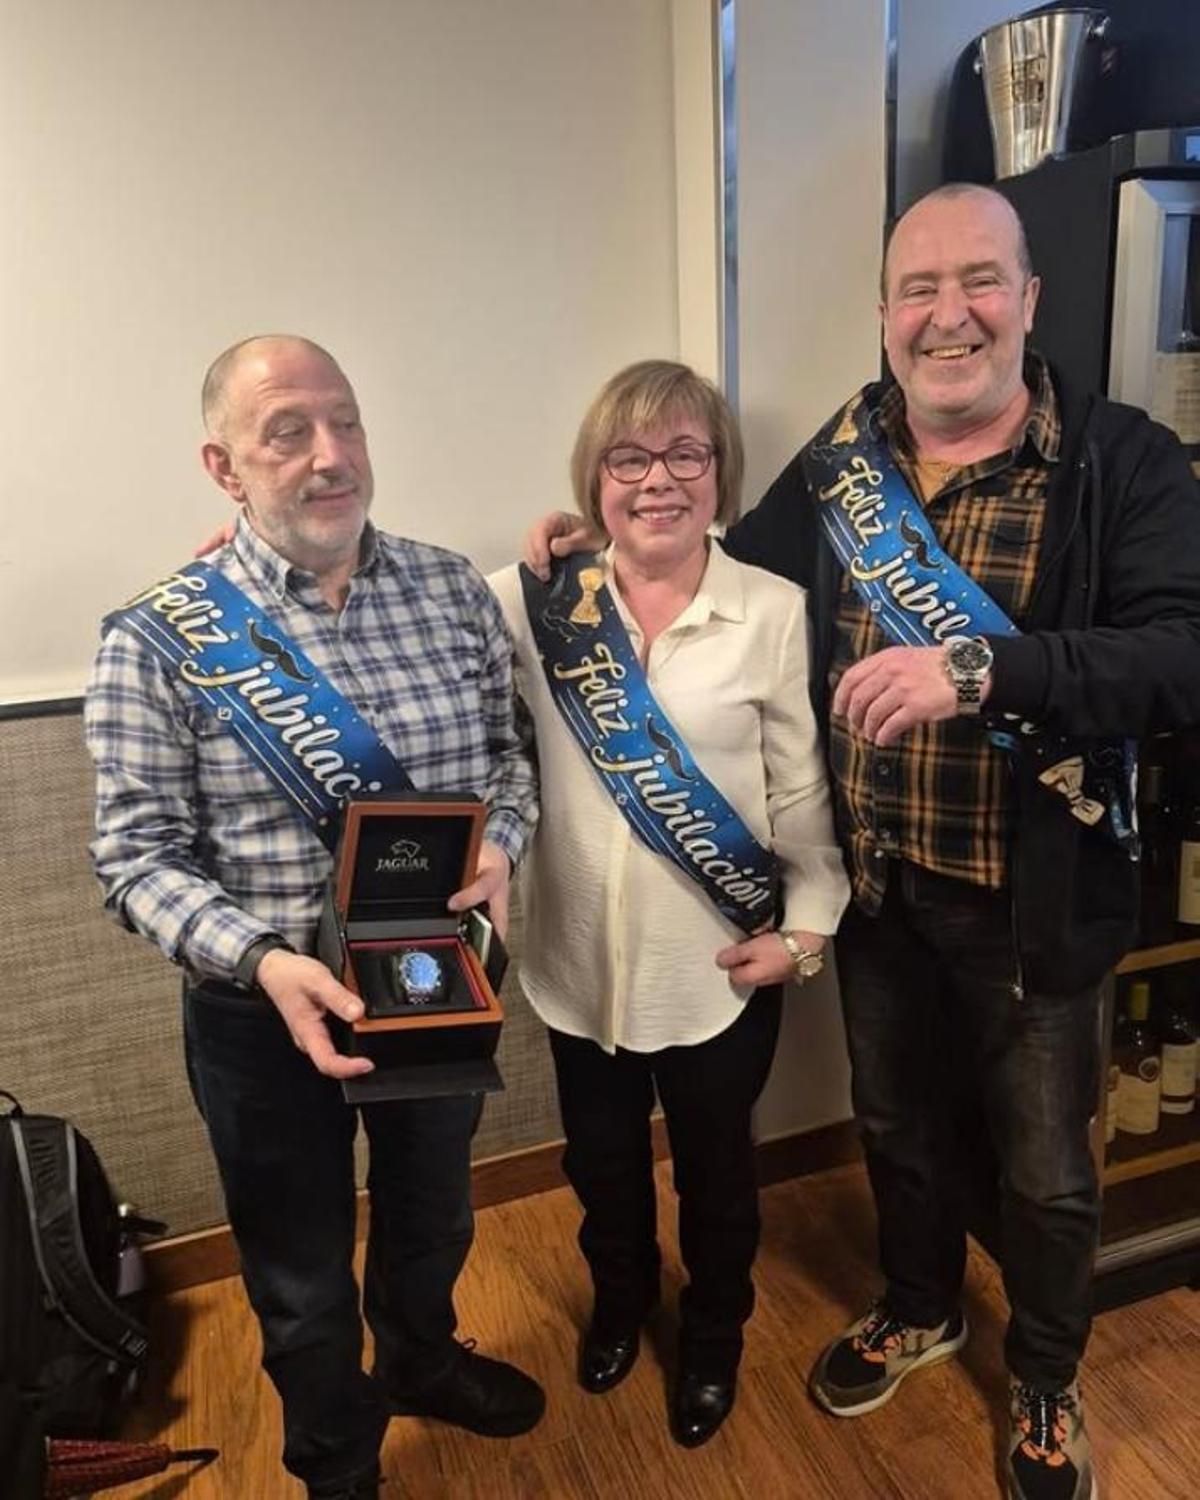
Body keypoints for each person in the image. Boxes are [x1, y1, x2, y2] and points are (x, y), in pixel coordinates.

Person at [526, 185, 1200, 1500]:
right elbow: (720, 566)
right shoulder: (846, 458)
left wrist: (985, 673)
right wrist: (589, 551)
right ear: (886, 314)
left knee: (1049, 1168)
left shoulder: (1122, 459)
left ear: (1030, 300)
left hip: (1036, 897)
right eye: (919, 289)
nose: (950, 315)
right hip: (882, 891)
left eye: (980, 283)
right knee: (896, 1125)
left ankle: (1048, 1377)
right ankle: (921, 1302)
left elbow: (1181, 657)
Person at [85, 335, 544, 1500]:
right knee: (296, 1272)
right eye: (287, 431)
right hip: (262, 1014)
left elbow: (510, 757)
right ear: (223, 465)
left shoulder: (452, 589)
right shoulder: (157, 637)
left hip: (435, 980)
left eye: (343, 422)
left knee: (434, 1215)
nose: (328, 455)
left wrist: (506, 846)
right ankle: (337, 1462)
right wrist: (269, 962)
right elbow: (135, 859)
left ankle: (428, 1362)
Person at [490, 360, 848, 1448]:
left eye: (686, 454)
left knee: (719, 1174)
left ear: (719, 475)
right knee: (600, 1169)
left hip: (722, 966)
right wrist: (245, 559)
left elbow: (798, 790)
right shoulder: (529, 601)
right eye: (630, 457)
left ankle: (714, 1338)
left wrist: (807, 930)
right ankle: (619, 1303)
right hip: (575, 965)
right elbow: (383, 608)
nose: (659, 479)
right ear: (595, 481)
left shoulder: (772, 611)